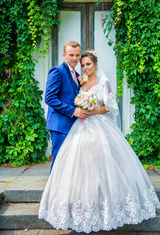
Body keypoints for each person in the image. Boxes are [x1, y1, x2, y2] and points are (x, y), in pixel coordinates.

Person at [39, 50, 160, 233]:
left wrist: (91, 110)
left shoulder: (104, 82)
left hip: (99, 125)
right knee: (79, 165)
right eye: (83, 65)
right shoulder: (81, 81)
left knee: (100, 164)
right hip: (80, 126)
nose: (85, 67)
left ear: (95, 64)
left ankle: (105, 206)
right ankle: (79, 206)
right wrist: (81, 107)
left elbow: (109, 107)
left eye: (88, 64)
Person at [45, 41, 88, 171]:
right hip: (60, 126)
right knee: (59, 163)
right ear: (64, 55)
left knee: (70, 165)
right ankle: (54, 191)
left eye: (77, 55)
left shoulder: (78, 75)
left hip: (73, 126)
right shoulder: (57, 71)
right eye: (71, 55)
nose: (74, 58)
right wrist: (73, 110)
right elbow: (49, 98)